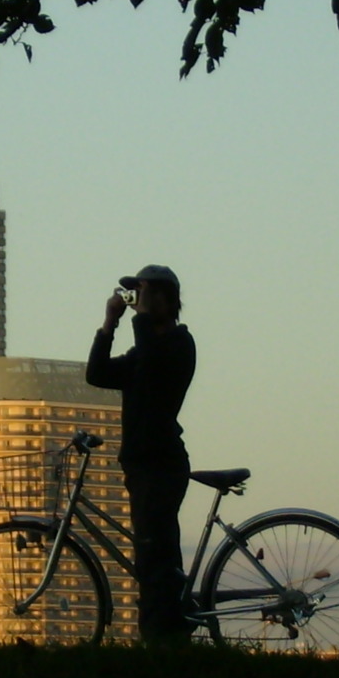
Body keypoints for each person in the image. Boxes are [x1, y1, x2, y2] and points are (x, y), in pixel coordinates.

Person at [85, 264, 196, 646]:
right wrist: (110, 322)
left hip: (162, 462)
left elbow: (152, 369)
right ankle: (170, 631)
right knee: (154, 553)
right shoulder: (143, 347)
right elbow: (97, 374)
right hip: (141, 462)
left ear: (169, 300)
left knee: (154, 557)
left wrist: (142, 318)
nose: (140, 303)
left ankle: (161, 638)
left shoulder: (179, 343)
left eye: (147, 294)